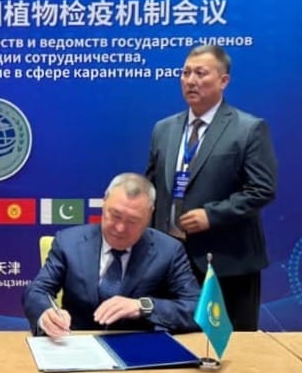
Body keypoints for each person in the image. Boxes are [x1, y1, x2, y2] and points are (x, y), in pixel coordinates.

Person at [146, 44, 277, 331]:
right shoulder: (164, 129)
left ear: (223, 80)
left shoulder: (248, 128)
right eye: (186, 73)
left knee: (229, 347)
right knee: (174, 342)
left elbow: (262, 189)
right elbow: (153, 187)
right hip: (171, 259)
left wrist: (212, 215)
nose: (190, 80)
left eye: (200, 73)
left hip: (227, 262)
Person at [22, 173, 199, 337]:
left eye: (132, 221)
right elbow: (37, 291)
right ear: (104, 203)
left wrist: (143, 306)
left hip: (137, 346)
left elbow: (196, 308)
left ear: (149, 215)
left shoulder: (169, 250)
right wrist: (46, 313)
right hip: (78, 342)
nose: (120, 228)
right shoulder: (68, 242)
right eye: (115, 215)